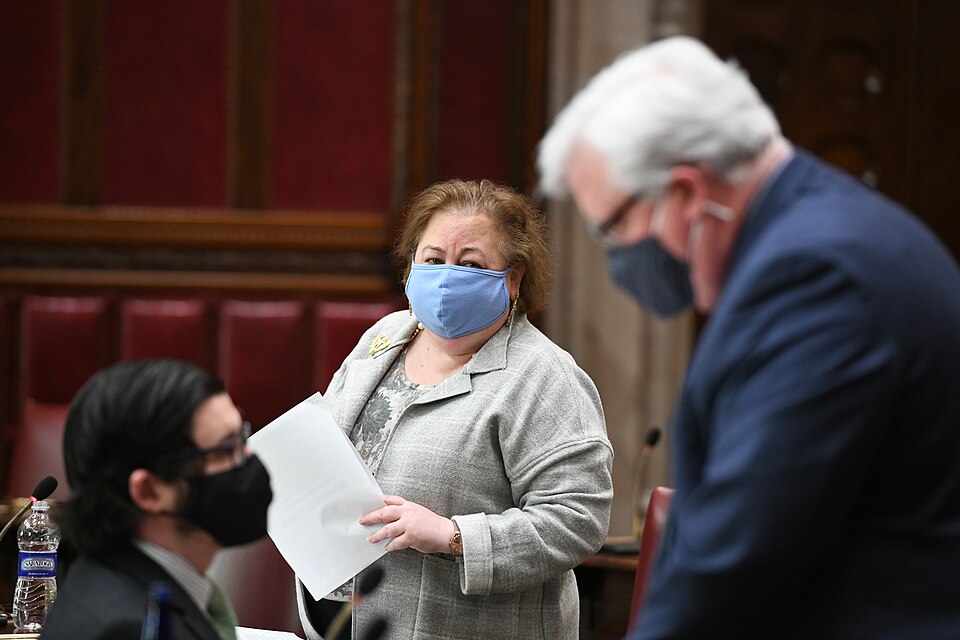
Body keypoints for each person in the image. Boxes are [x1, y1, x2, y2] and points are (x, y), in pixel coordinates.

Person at [537, 35, 960, 639]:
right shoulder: (833, 229)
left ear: (685, 193)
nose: (614, 254)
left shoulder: (813, 282)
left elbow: (733, 564)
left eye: (611, 227)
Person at [295, 179, 614, 640]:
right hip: (341, 621)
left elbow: (577, 520)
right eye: (433, 259)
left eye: (470, 264)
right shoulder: (383, 337)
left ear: (514, 279)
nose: (447, 277)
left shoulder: (544, 376)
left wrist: (454, 536)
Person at [42, 359, 274, 640]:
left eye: (243, 438)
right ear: (149, 491)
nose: (248, 458)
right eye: (227, 449)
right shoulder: (135, 630)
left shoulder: (111, 580)